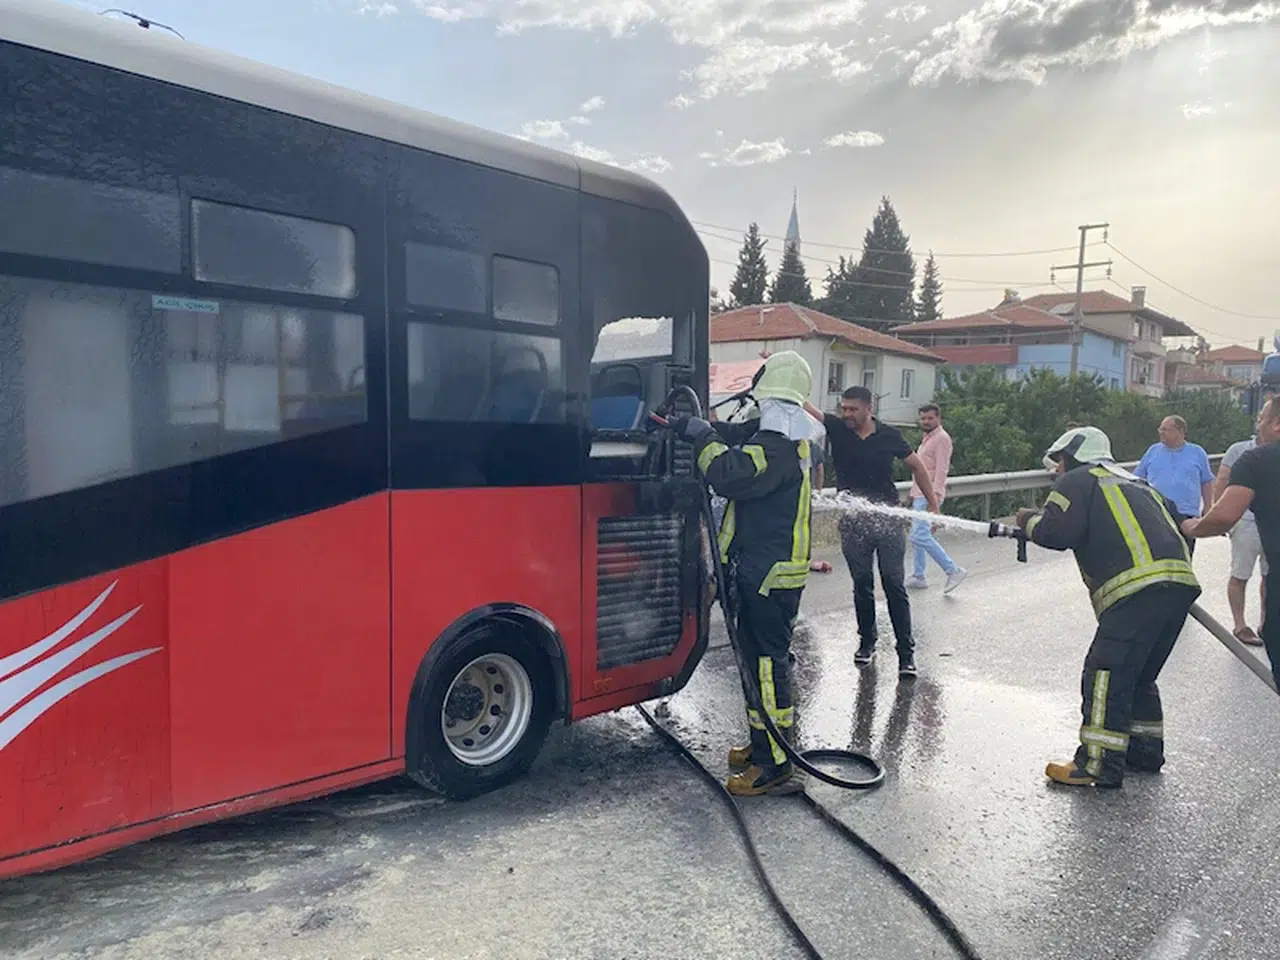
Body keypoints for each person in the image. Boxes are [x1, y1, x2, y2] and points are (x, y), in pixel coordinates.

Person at [669, 350, 822, 796]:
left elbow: (727, 474)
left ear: (772, 399)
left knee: (767, 668)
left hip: (768, 574)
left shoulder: (774, 450)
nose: (758, 410)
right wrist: (697, 425)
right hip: (766, 570)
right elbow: (739, 434)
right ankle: (763, 745)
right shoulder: (787, 440)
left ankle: (775, 765)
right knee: (756, 665)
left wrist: (702, 439)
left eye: (763, 402)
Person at [1015, 426, 1200, 788]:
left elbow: (1057, 533)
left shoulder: (1078, 481)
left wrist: (1028, 520)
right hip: (1179, 586)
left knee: (1105, 672)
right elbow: (1183, 527)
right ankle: (1144, 752)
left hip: (1134, 591)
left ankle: (1097, 763)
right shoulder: (1140, 485)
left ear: (1071, 457)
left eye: (1059, 463)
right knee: (1140, 675)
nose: (1056, 471)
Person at [804, 386, 940, 678]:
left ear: (869, 409)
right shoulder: (838, 429)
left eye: (853, 409)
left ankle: (906, 653)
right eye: (844, 408)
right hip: (853, 521)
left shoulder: (889, 435)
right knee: (862, 583)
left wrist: (933, 504)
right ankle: (867, 642)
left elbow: (917, 466)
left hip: (887, 520)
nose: (847, 414)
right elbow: (807, 407)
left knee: (893, 583)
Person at [1182, 396, 1280, 685]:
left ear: (1277, 425)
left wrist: (1192, 527)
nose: (1257, 425)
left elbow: (1225, 517)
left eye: (1261, 419)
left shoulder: (1258, 460)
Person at [905, 403, 966, 594]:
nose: (926, 421)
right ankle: (919, 575)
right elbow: (922, 468)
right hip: (919, 493)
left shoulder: (941, 438)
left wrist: (936, 498)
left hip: (929, 495)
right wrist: (912, 492)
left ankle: (952, 569)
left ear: (938, 418)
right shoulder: (927, 439)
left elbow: (941, 469)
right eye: (923, 418)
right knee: (918, 537)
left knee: (919, 535)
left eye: (930, 418)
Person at [1215, 429, 1268, 646]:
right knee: (1240, 574)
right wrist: (1219, 516)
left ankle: (1267, 624)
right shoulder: (1239, 450)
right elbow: (1222, 480)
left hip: (1272, 522)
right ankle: (1240, 625)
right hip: (1245, 520)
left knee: (1271, 576)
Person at [1133, 415, 1214, 555]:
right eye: (1160, 429)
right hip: (1157, 513)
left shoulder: (1197, 453)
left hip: (1186, 515)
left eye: (1165, 429)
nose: (1161, 432)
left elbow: (1206, 482)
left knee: (1184, 555)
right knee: (1157, 555)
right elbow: (1137, 479)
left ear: (1180, 431)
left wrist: (1208, 509)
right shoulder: (1153, 451)